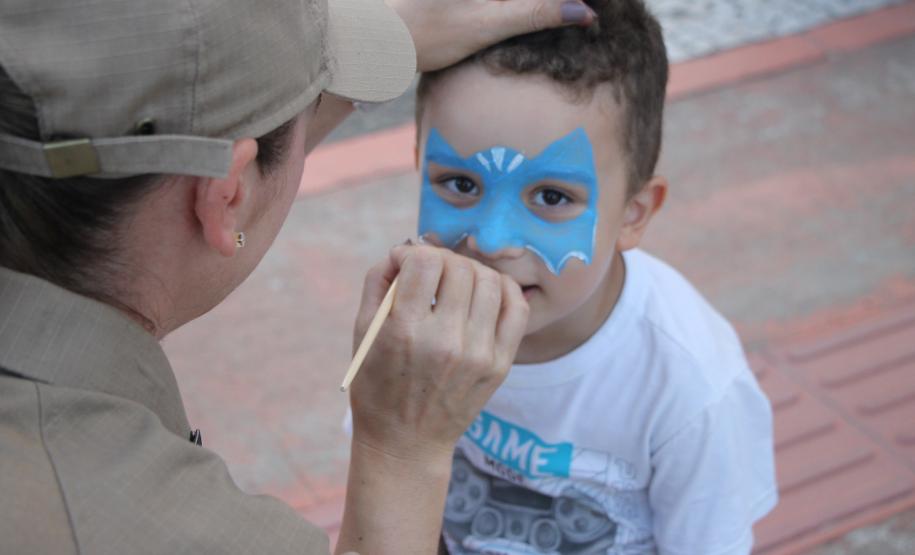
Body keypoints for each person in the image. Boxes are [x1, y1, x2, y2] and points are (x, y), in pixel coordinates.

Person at [0, 0, 599, 553]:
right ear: (227, 198)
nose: (490, 242)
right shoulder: (154, 525)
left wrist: (384, 41)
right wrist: (403, 449)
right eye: (309, 109)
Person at [411, 0, 778, 552]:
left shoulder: (690, 386)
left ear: (635, 213)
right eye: (459, 183)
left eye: (552, 197)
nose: (490, 241)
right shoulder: (412, 322)